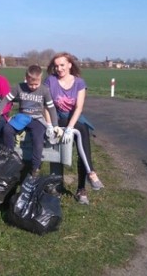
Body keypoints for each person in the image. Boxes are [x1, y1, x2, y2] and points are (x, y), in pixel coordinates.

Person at [45, 52, 104, 205]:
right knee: (81, 131)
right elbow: (45, 104)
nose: (59, 68)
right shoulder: (50, 81)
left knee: (82, 133)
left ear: (70, 65)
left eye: (62, 65)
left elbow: (79, 108)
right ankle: (91, 174)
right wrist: (49, 124)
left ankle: (82, 187)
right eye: (56, 66)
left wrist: (70, 127)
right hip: (57, 118)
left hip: (73, 118)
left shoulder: (79, 83)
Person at [0, 65, 61, 176]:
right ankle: (9, 159)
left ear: (40, 79)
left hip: (37, 119)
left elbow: (51, 107)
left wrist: (55, 125)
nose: (33, 87)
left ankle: (35, 167)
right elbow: (6, 99)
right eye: (31, 84)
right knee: (7, 129)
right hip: (22, 117)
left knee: (38, 138)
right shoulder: (19, 87)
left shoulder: (44, 90)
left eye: (36, 84)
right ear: (26, 78)